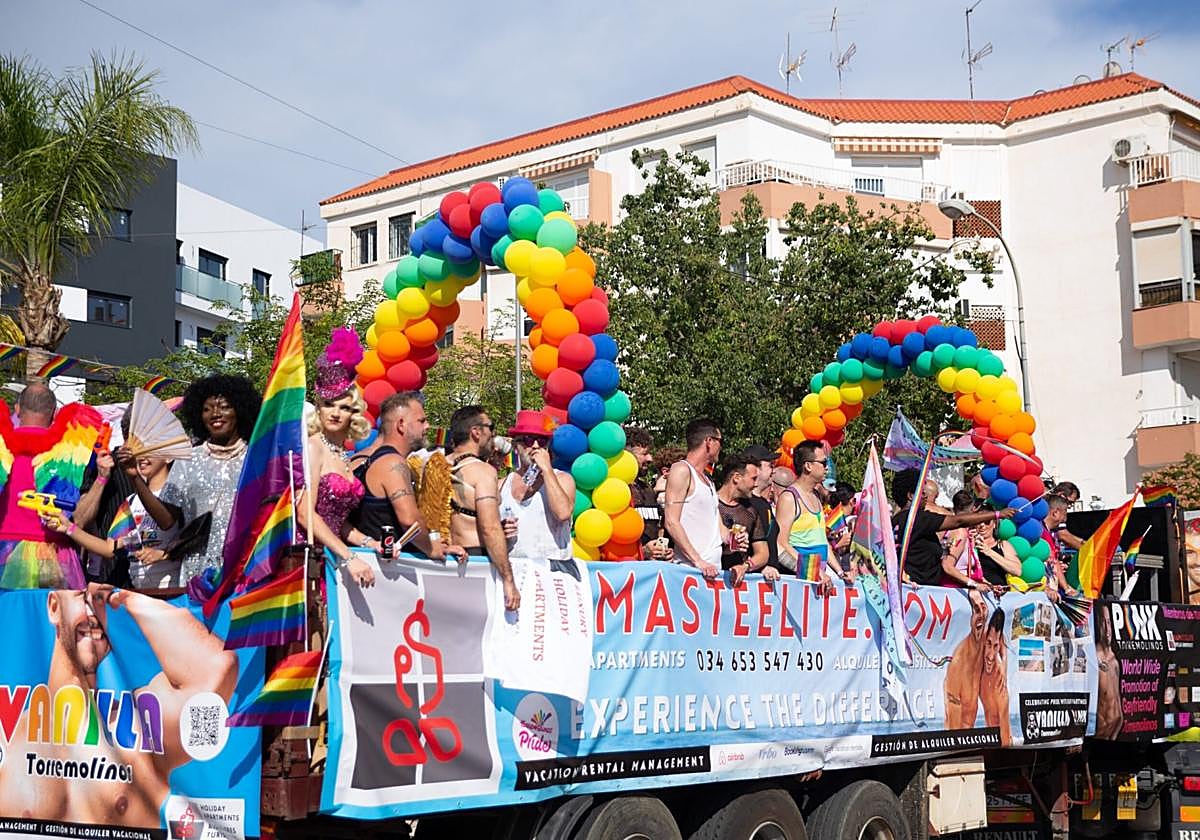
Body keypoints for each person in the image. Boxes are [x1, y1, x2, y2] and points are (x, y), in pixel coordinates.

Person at [0, 584, 238, 826]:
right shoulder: (8, 738)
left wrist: (125, 599)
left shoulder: (140, 723)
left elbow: (219, 668)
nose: (93, 614)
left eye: (100, 602)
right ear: (53, 607)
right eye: (83, 599)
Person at [158, 375, 261, 584]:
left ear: (239, 410)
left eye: (224, 407)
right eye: (207, 409)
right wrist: (136, 480)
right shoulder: (187, 459)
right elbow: (167, 520)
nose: (215, 414)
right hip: (197, 571)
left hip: (244, 564)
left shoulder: (256, 458)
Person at [0, 388, 104, 589]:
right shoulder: (75, 449)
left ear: (18, 409)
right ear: (55, 413)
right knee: (54, 618)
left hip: (5, 553)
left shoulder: (3, 443)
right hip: (55, 555)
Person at [298, 328, 375, 588]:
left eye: (344, 407)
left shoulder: (343, 454)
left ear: (353, 414)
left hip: (332, 555)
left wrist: (368, 542)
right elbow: (305, 514)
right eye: (329, 404)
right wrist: (349, 556)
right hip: (308, 560)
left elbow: (335, 521)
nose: (335, 413)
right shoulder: (313, 446)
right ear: (318, 407)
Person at [350, 391, 461, 562]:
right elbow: (410, 521)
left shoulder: (373, 460)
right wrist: (433, 549)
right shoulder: (392, 463)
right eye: (421, 421)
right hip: (384, 572)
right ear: (401, 424)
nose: (427, 427)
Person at [445, 405, 520, 609]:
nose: (493, 435)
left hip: (441, 559)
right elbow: (489, 528)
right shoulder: (482, 472)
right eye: (491, 427)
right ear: (476, 432)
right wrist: (508, 579)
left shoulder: (434, 465)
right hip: (474, 562)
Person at [892, 468, 1015, 588]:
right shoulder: (917, 519)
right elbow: (958, 521)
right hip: (921, 592)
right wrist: (998, 514)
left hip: (913, 589)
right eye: (922, 492)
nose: (925, 496)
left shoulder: (895, 520)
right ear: (910, 495)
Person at [499, 410, 576, 561]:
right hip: (515, 570)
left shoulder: (562, 478)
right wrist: (500, 531)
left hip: (553, 570)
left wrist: (547, 470)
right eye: (528, 440)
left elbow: (562, 513)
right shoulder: (501, 485)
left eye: (541, 441)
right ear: (516, 446)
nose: (535, 446)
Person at [775, 440, 850, 589]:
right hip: (799, 581)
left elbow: (823, 542)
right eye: (823, 462)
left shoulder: (816, 495)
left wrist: (841, 573)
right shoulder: (790, 498)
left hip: (820, 578)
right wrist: (812, 571)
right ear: (808, 466)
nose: (827, 468)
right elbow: (781, 543)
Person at [663, 419, 724, 579]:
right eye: (720, 441)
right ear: (709, 442)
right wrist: (698, 561)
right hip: (689, 572)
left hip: (713, 573)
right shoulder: (681, 470)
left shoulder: (708, 480)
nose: (721, 447)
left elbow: (717, 527)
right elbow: (671, 521)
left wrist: (733, 539)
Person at [716, 454, 779, 586]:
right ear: (737, 478)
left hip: (739, 586)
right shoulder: (711, 504)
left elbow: (762, 553)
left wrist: (745, 567)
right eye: (753, 479)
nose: (756, 484)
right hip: (708, 581)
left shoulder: (750, 510)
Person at [944, 589, 989, 728]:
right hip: (958, 739)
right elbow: (953, 730)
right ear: (970, 619)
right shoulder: (958, 662)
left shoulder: (987, 639)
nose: (981, 614)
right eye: (976, 610)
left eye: (983, 608)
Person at [624, 427, 671, 560]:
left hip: (650, 571)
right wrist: (643, 551)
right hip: (625, 569)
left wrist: (663, 550)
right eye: (644, 454)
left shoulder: (647, 489)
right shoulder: (616, 490)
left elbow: (657, 527)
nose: (650, 458)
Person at [741, 444, 782, 572]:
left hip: (769, 584)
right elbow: (739, 546)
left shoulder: (764, 503)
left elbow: (776, 546)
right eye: (770, 465)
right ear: (756, 469)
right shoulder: (744, 502)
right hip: (750, 582)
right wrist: (758, 567)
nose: (773, 471)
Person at [979, 606, 1011, 745]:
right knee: (991, 715)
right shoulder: (982, 634)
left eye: (995, 645)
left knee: (1001, 715)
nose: (992, 654)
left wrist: (1004, 670)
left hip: (995, 678)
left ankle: (1003, 745)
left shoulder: (1000, 637)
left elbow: (1004, 654)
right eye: (989, 644)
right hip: (984, 677)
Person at [1094, 604, 1124, 739]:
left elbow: (1116, 698)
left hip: (1115, 731)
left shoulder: (1114, 660)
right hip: (1101, 734)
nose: (1107, 629)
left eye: (1109, 623)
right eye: (1102, 623)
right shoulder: (1093, 657)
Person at [971, 517, 1022, 588]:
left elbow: (1017, 571)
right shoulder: (969, 543)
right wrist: (971, 544)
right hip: (975, 591)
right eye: (979, 521)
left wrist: (990, 552)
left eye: (987, 522)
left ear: (994, 524)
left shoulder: (1002, 545)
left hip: (998, 593)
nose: (982, 525)